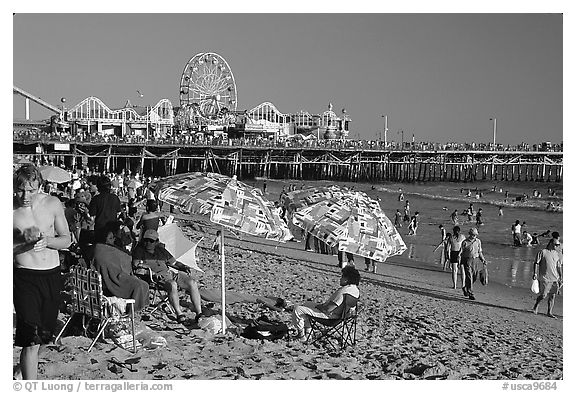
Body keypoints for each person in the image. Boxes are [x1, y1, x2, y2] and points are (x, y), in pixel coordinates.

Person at [13, 165, 72, 379]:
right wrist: (21, 242)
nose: (25, 196)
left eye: (32, 190)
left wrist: (48, 241)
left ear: (40, 187)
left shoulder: (52, 204)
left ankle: (22, 370)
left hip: (51, 275)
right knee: (30, 339)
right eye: (20, 190)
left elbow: (67, 239)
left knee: (44, 336)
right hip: (24, 276)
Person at [132, 229, 203, 324]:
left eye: (151, 241)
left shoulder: (161, 251)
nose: (148, 243)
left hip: (170, 273)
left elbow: (174, 262)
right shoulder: (139, 251)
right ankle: (179, 314)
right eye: (146, 240)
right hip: (157, 278)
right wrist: (150, 273)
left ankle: (199, 313)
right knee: (172, 284)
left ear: (156, 242)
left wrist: (183, 267)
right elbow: (137, 268)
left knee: (192, 282)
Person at [92, 222, 150, 311]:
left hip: (106, 279)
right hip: (113, 281)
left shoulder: (97, 248)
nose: (113, 240)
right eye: (111, 238)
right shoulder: (106, 250)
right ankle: (133, 310)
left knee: (142, 284)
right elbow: (125, 261)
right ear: (105, 240)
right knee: (140, 285)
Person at [291, 265, 360, 339]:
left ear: (346, 279)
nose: (340, 279)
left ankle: (301, 336)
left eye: (342, 277)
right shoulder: (355, 290)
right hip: (340, 317)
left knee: (298, 309)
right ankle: (308, 334)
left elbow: (328, 309)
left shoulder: (343, 291)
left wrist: (320, 307)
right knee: (306, 304)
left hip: (330, 317)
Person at [532, 239, 563, 318]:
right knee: (543, 295)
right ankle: (536, 306)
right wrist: (535, 273)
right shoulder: (543, 252)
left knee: (552, 296)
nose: (558, 246)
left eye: (558, 245)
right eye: (556, 245)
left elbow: (558, 266)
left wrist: (561, 276)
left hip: (555, 278)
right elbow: (536, 263)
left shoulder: (557, 254)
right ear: (551, 243)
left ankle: (549, 312)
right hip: (544, 277)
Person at [460, 227, 487, 300]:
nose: (474, 236)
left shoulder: (478, 241)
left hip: (476, 260)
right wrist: (461, 262)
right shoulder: (465, 242)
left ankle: (465, 287)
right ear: (470, 234)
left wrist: (483, 260)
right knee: (469, 276)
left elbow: (480, 252)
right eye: (473, 235)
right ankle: (470, 293)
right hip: (467, 260)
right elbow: (461, 253)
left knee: (474, 276)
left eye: (475, 235)